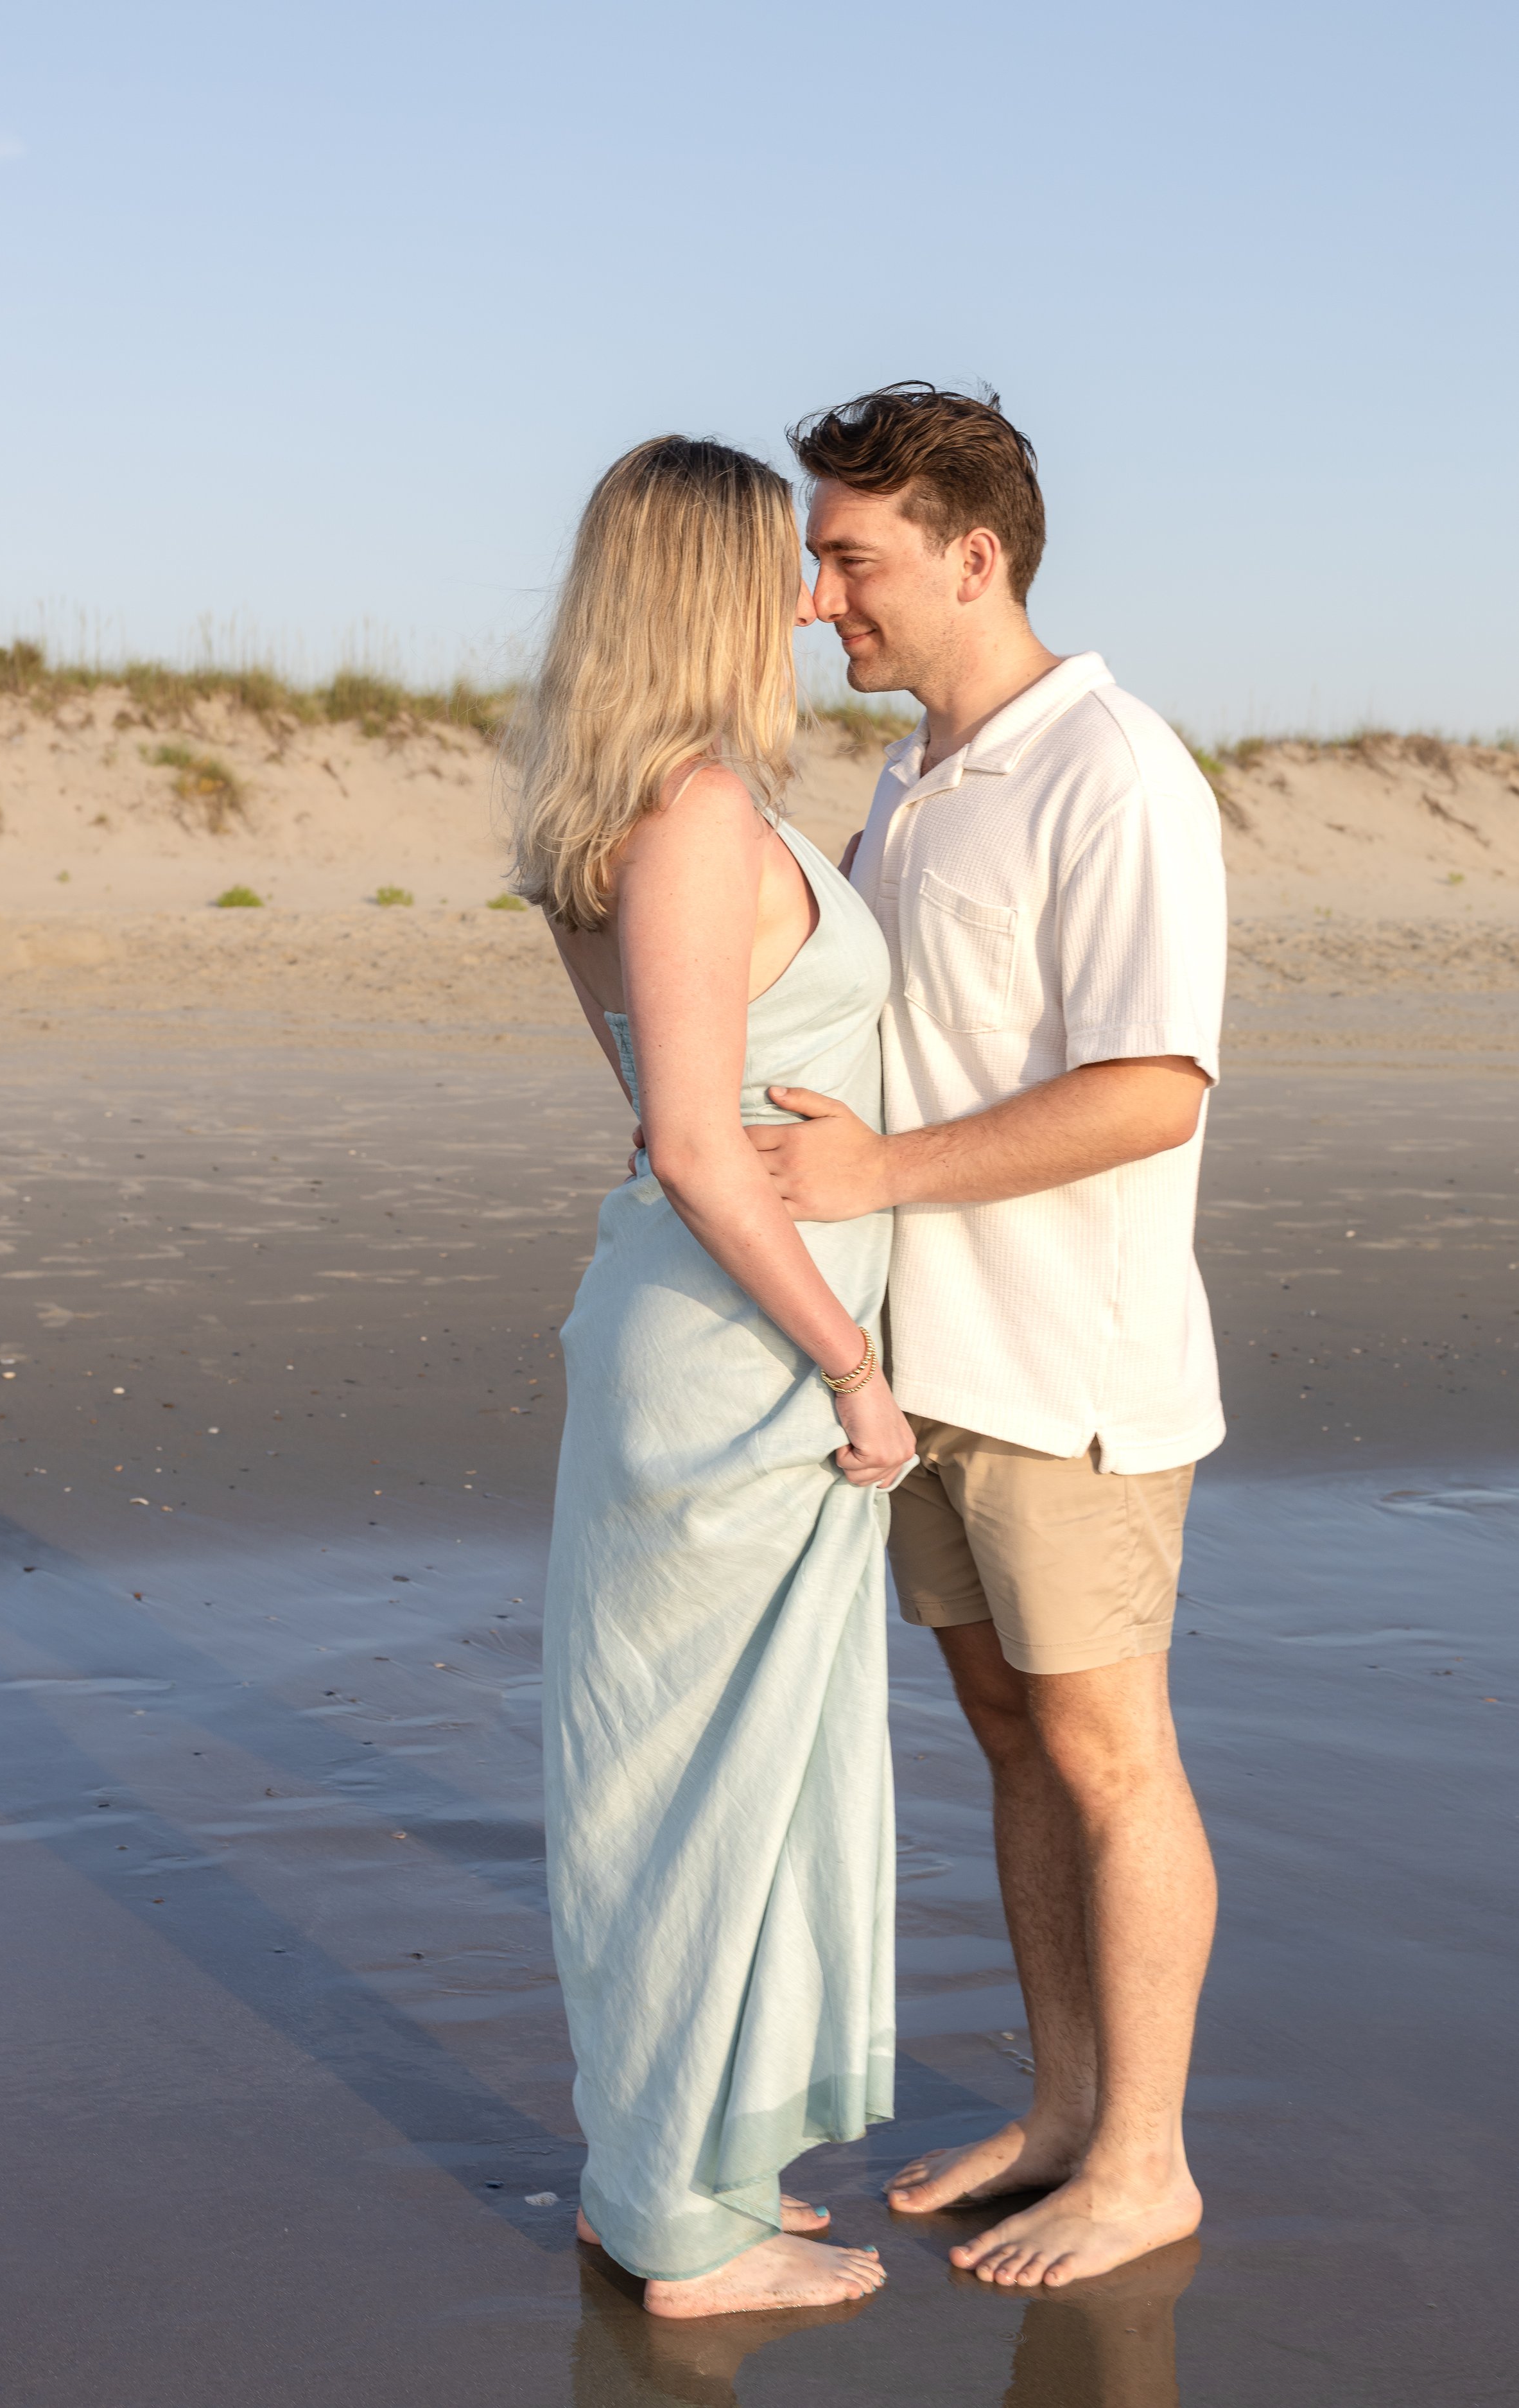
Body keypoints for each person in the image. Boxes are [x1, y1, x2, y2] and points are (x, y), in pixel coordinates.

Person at [747, 383, 1226, 2289]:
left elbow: (1150, 1091)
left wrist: (870, 1179)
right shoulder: (917, 775)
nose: (816, 600)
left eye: (847, 559)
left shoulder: (1110, 767)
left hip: (1070, 1375)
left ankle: (1146, 2160)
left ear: (974, 553)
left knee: (1109, 1752)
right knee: (1014, 1744)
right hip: (929, 1371)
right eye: (812, 557)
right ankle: (1056, 2112)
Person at [510, 435, 913, 2318]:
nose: (818, 595)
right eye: (792, 565)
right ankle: (683, 2229)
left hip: (709, 1323)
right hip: (742, 1347)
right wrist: (851, 1365)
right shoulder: (683, 815)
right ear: (707, 585)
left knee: (707, 1769)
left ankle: (681, 2165)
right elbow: (686, 1136)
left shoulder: (646, 805)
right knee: (700, 1786)